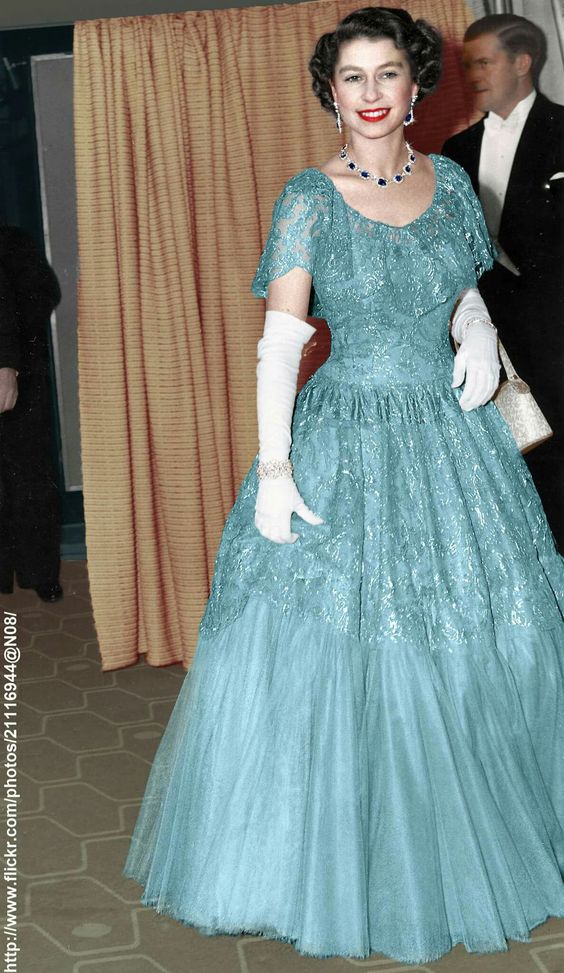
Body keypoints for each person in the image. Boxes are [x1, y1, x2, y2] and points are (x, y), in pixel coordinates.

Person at [123, 7, 564, 965]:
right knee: (342, 645)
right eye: (352, 77)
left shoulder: (450, 182)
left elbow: (462, 282)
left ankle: (475, 832)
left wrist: (474, 328)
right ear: (331, 92)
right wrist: (275, 467)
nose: (370, 93)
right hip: (344, 434)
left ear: (416, 86)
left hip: (451, 441)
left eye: (387, 74)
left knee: (486, 625)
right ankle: (329, 857)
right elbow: (282, 341)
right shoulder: (308, 199)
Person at [442, 14, 564, 549]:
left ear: (522, 63)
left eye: (484, 63)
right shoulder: (454, 151)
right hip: (491, 342)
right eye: (467, 66)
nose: (473, 75)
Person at [0, 225, 63, 602]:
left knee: (31, 480)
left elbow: (46, 292)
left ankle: (40, 574)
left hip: (20, 380)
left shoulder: (13, 240)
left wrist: (9, 361)